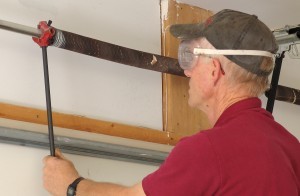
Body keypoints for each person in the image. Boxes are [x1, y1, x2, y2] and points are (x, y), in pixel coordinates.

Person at [43, 9, 300, 195]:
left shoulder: (209, 150)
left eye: (190, 58)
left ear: (214, 71)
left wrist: (71, 185)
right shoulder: (291, 147)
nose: (186, 71)